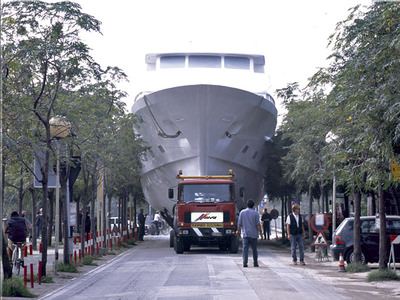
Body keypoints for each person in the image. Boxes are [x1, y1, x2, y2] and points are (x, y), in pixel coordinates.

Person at [237, 199, 263, 267]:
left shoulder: (242, 213)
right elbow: (258, 224)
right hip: (254, 234)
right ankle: (255, 263)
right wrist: (261, 233)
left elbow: (239, 224)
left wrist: (238, 231)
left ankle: (245, 262)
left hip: (245, 234)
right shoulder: (256, 213)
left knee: (245, 249)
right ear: (253, 205)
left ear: (247, 204)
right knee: (254, 249)